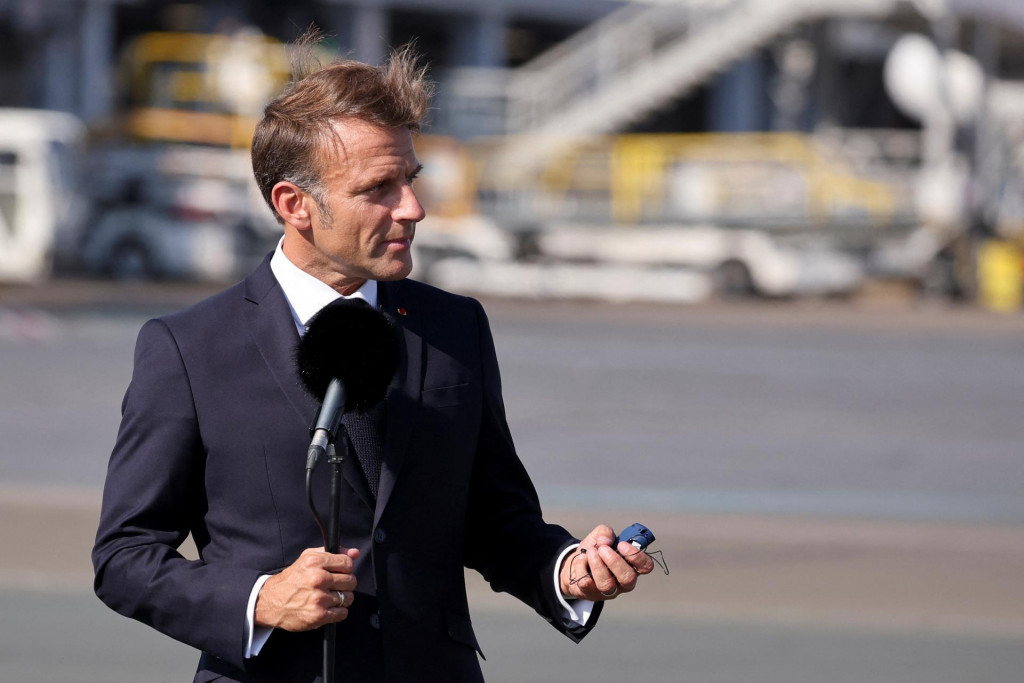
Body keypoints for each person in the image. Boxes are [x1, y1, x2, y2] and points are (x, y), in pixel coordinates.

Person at [92, 39, 653, 683]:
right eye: (378, 189)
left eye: (409, 180)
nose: (412, 208)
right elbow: (126, 557)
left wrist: (568, 568)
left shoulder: (455, 327)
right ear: (293, 204)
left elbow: (494, 517)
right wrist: (260, 601)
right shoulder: (189, 347)